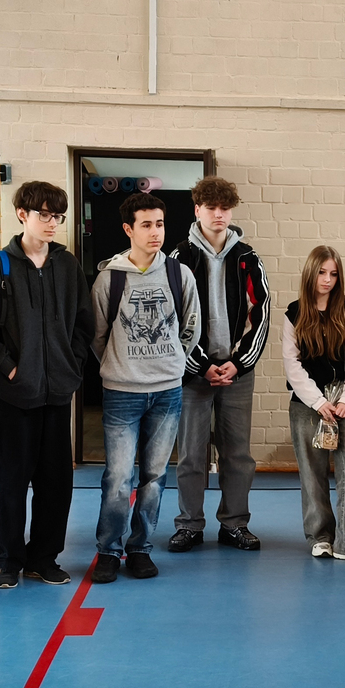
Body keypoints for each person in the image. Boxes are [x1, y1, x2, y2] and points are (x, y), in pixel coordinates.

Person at [0, 180, 94, 589]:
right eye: (45, 214)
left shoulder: (68, 266)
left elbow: (84, 325)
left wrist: (71, 366)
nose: (53, 222)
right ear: (23, 214)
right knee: (11, 483)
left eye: (58, 216)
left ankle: (44, 558)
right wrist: (9, 369)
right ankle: (9, 561)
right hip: (14, 396)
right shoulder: (0, 266)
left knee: (56, 483)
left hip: (57, 394)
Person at [90, 191, 202, 584]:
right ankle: (109, 550)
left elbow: (191, 327)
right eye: (146, 225)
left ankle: (140, 548)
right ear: (128, 229)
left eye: (160, 224)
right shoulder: (109, 278)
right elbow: (97, 335)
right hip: (122, 392)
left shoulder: (179, 274)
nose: (155, 232)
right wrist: (122, 365)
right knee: (119, 478)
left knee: (154, 477)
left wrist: (171, 362)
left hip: (167, 392)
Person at [167, 176, 270, 553]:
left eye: (225, 208)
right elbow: (171, 318)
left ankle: (234, 524)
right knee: (191, 455)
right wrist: (199, 365)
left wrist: (239, 363)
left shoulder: (247, 257)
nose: (219, 214)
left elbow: (262, 312)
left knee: (238, 455)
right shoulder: (178, 258)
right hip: (193, 375)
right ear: (197, 210)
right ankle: (189, 524)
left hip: (236, 373)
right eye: (211, 207)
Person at [283, 246, 345, 562]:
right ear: (311, 274)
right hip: (307, 406)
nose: (327, 280)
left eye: (334, 274)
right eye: (322, 273)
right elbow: (292, 364)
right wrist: (318, 401)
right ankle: (320, 537)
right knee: (313, 473)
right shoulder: (294, 313)